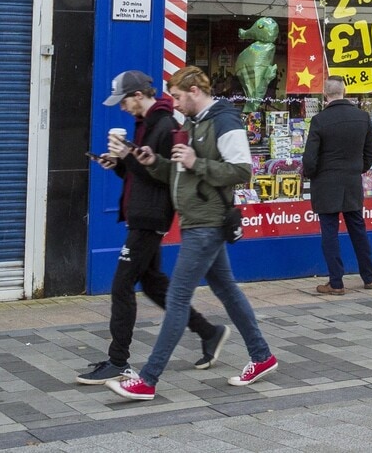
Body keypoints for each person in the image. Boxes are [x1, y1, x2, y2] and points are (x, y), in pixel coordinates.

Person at [107, 66, 280, 400]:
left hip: (207, 223)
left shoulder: (224, 121)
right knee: (226, 289)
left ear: (195, 91)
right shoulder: (193, 122)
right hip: (195, 220)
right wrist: (151, 161)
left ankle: (148, 379)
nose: (175, 103)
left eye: (179, 96)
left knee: (176, 299)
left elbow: (242, 170)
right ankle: (262, 356)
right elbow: (178, 171)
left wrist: (195, 163)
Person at [78, 70, 227, 385]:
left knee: (121, 285)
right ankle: (209, 332)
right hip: (142, 214)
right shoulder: (146, 124)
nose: (121, 108)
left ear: (136, 96)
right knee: (155, 285)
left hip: (151, 218)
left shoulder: (164, 126)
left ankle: (118, 361)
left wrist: (129, 158)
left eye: (123, 101)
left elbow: (167, 177)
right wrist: (119, 164)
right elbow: (141, 174)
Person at [302, 76, 372, 296]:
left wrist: (313, 174)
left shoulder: (319, 120)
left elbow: (309, 160)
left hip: (326, 185)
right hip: (352, 182)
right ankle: (369, 277)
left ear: (325, 94)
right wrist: (358, 168)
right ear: (344, 91)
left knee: (330, 232)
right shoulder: (362, 117)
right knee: (358, 230)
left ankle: (336, 283)